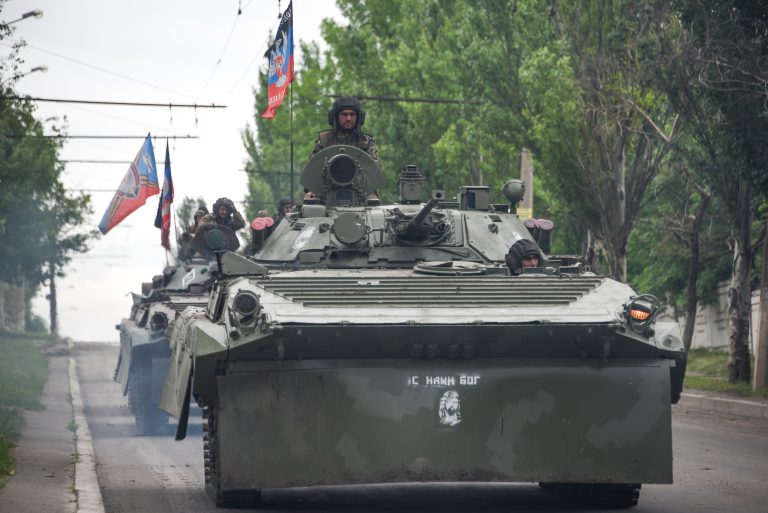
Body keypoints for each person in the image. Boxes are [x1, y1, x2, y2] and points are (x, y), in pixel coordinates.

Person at [310, 96, 380, 164]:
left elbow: (374, 168)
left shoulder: (365, 143)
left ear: (359, 117)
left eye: (352, 114)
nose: (348, 118)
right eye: (344, 114)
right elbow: (312, 167)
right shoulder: (324, 141)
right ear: (336, 117)